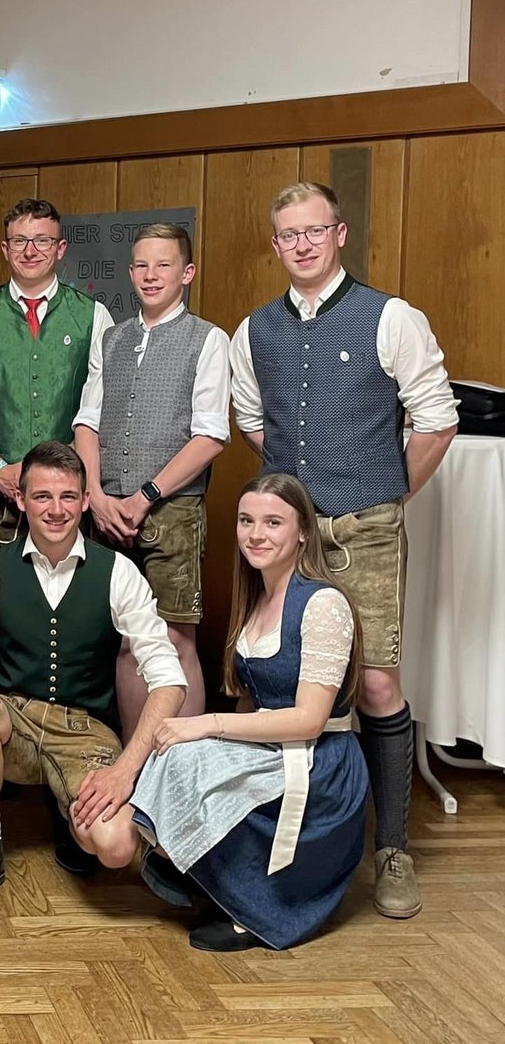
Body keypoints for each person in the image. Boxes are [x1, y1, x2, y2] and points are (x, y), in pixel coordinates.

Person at [229, 181, 458, 919]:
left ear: (340, 234)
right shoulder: (254, 330)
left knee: (378, 686)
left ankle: (391, 849)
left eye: (314, 230)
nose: (301, 244)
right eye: (288, 234)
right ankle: (294, 835)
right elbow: (253, 421)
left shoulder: (391, 317)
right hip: (288, 538)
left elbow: (437, 421)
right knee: (289, 683)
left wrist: (386, 494)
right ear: (276, 244)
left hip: (366, 529)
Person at [0, 441, 187, 915]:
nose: (56, 509)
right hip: (13, 719)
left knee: (115, 846)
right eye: (42, 496)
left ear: (86, 500)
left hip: (85, 729)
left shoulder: (118, 573)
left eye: (68, 496)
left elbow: (170, 681)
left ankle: (70, 816)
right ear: (21, 500)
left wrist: (125, 771)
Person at [128, 473, 368, 952]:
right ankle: (214, 876)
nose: (256, 534)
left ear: (303, 532)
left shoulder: (323, 604)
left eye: (273, 522)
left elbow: (309, 720)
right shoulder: (257, 597)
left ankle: (257, 903)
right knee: (178, 752)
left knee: (190, 746)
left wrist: (208, 725)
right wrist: (205, 740)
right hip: (275, 746)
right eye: (246, 521)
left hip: (320, 763)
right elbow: (253, 699)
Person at [73, 223, 227, 738]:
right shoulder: (112, 337)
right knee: (125, 642)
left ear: (187, 273)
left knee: (175, 642)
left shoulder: (208, 339)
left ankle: (185, 763)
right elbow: (87, 422)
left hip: (173, 512)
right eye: (141, 265)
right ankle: (135, 764)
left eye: (163, 265)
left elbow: (210, 436)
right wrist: (95, 495)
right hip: (108, 510)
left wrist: (146, 495)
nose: (150, 275)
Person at [0, 199, 115, 571]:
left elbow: (99, 410)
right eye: (20, 241)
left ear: (60, 248)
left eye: (42, 240)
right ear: (5, 249)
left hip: (67, 498)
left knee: (69, 595)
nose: (30, 250)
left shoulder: (93, 316)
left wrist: (58, 474)